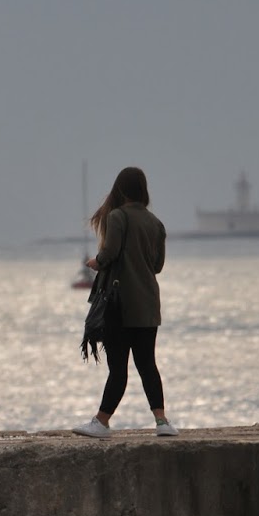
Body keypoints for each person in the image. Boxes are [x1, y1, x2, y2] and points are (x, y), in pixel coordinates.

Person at [72, 166, 178, 438]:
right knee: (147, 365)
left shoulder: (117, 216)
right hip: (148, 305)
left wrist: (97, 262)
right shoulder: (156, 223)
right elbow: (157, 265)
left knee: (118, 369)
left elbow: (110, 252)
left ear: (120, 189)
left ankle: (101, 423)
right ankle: (162, 422)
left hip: (120, 306)